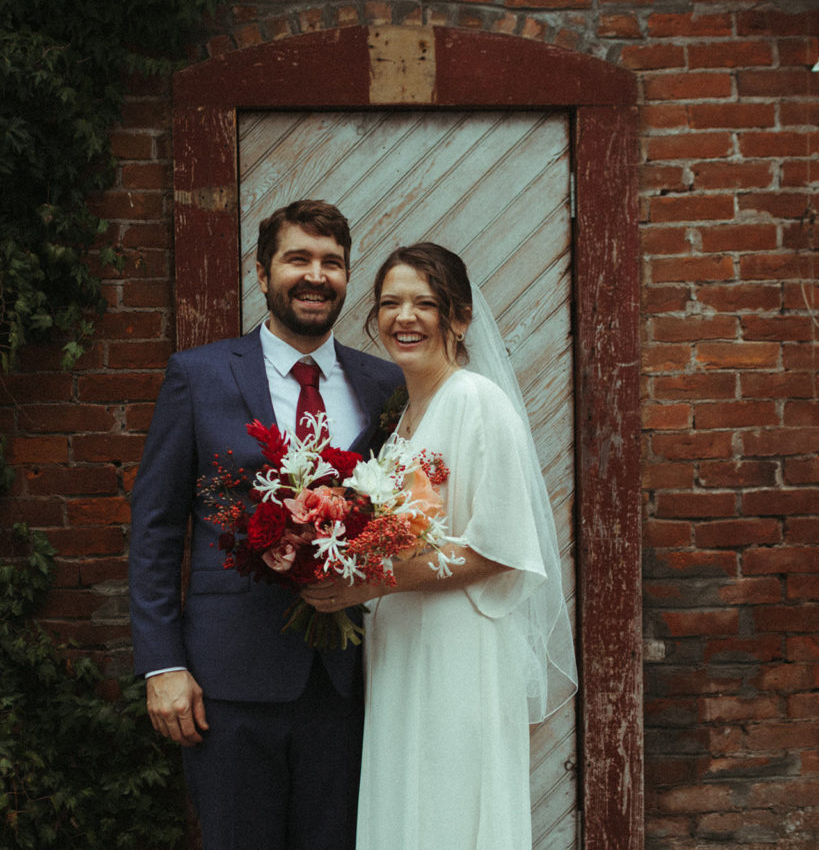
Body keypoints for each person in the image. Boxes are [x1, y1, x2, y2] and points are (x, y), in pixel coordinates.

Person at [128, 200, 403, 850]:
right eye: (297, 259)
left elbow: (401, 515)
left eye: (331, 262)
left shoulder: (385, 384)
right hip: (228, 679)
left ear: (345, 275)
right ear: (261, 273)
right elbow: (156, 529)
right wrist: (162, 664)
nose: (316, 276)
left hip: (347, 681)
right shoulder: (198, 377)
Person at [303, 242, 577, 850]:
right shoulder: (400, 420)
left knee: (452, 807)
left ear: (459, 317)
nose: (405, 317)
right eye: (390, 304)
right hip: (399, 642)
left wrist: (373, 581)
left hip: (459, 646)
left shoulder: (477, 402)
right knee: (406, 808)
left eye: (425, 303)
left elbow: (499, 549)